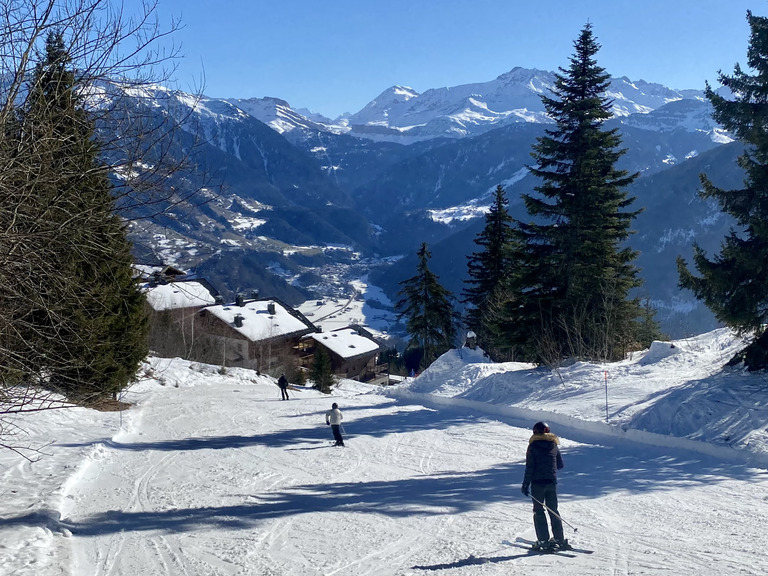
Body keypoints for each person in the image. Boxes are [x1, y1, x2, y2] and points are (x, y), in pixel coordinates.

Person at [521, 421, 571, 551]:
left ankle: (543, 540)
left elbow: (530, 467)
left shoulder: (533, 446)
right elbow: (560, 465)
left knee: (539, 511)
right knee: (553, 510)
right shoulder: (553, 444)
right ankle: (559, 539)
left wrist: (525, 484)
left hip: (538, 483)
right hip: (551, 482)